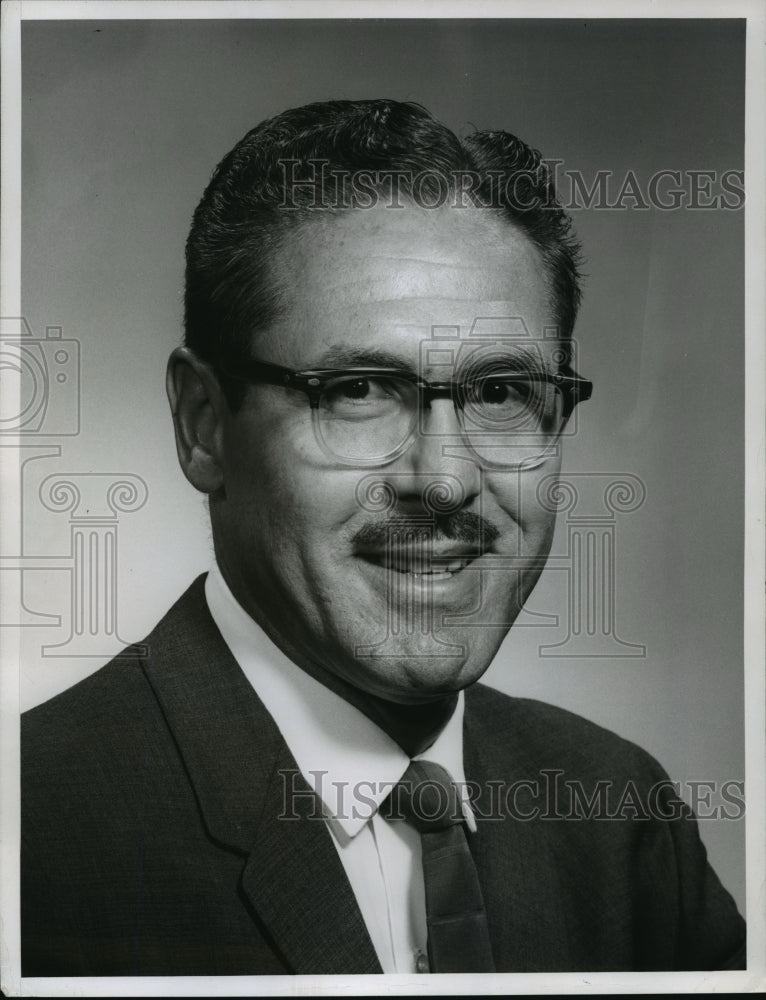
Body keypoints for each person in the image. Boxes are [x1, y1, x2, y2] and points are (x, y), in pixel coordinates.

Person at [21, 99, 745, 976]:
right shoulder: (28, 840)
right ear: (205, 425)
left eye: (501, 392)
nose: (443, 479)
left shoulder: (621, 817)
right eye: (360, 389)